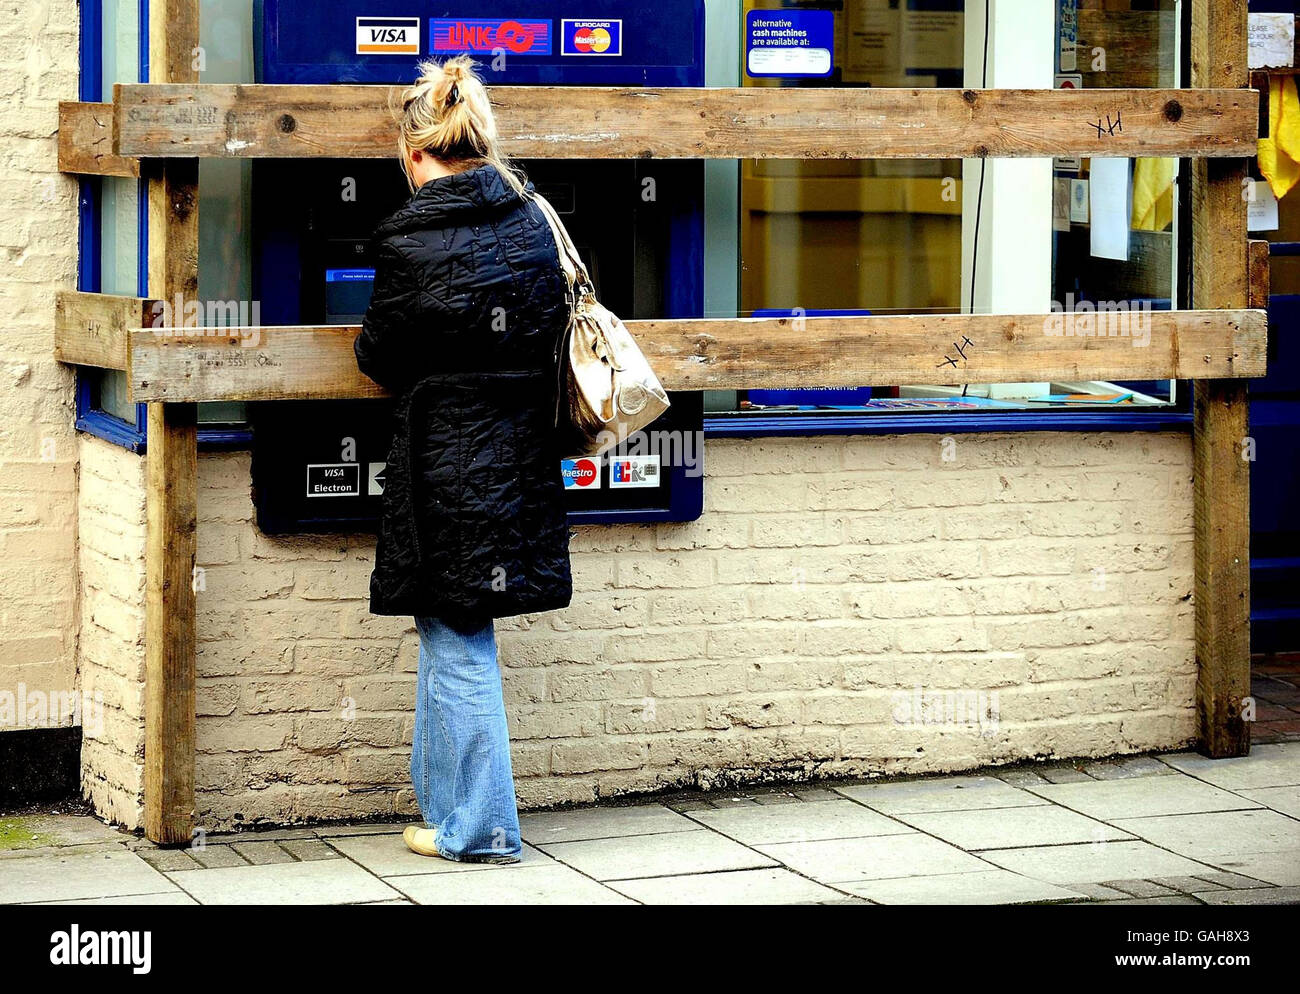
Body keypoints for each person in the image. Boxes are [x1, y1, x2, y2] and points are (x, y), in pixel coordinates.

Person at [354, 56, 573, 864]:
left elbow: (378, 354)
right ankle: (447, 812)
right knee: (447, 622)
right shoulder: (531, 218)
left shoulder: (410, 239)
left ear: (415, 154)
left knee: (457, 628)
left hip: (446, 462)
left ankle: (480, 829)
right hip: (518, 453)